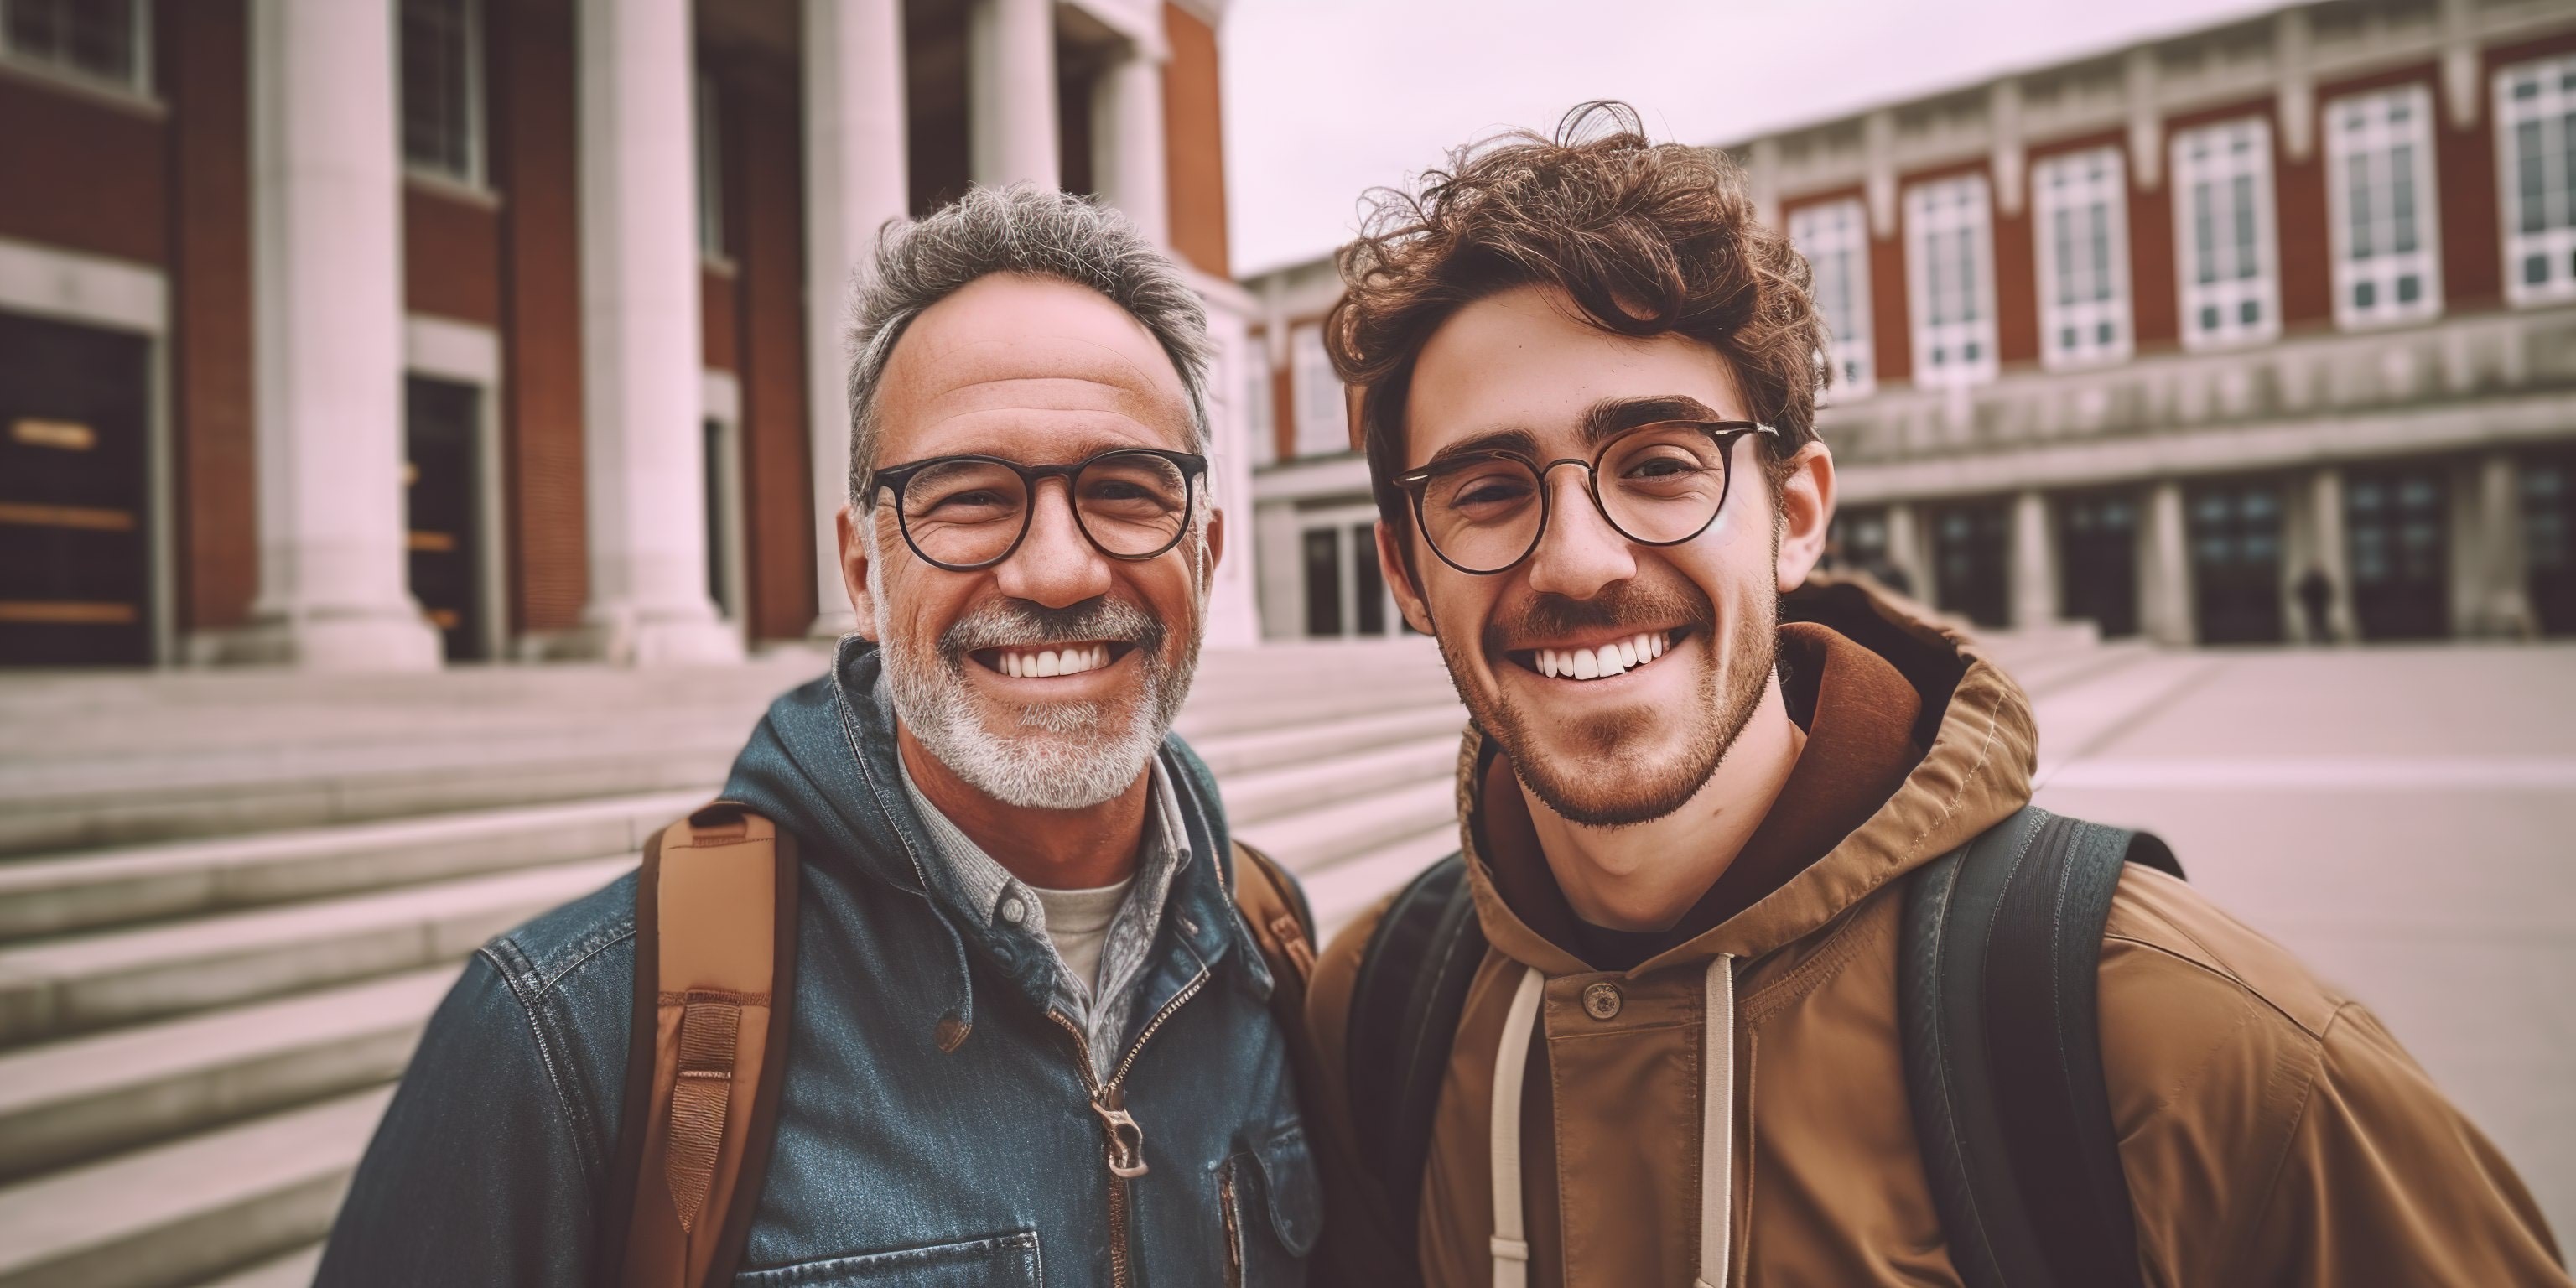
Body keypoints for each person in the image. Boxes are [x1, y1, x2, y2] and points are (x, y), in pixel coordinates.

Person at [1296, 103, 2567, 1286]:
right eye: (1488, 489)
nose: (1578, 558)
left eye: (1661, 464)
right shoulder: (1384, 1014)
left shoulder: (2195, 1045)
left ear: (1795, 518)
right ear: (1405, 568)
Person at [319, 187, 1317, 1286]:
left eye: (1126, 490)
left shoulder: (1275, 956)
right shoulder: (565, 1036)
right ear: (862, 573)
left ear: (1209, 551)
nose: (1057, 571)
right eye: (969, 496)